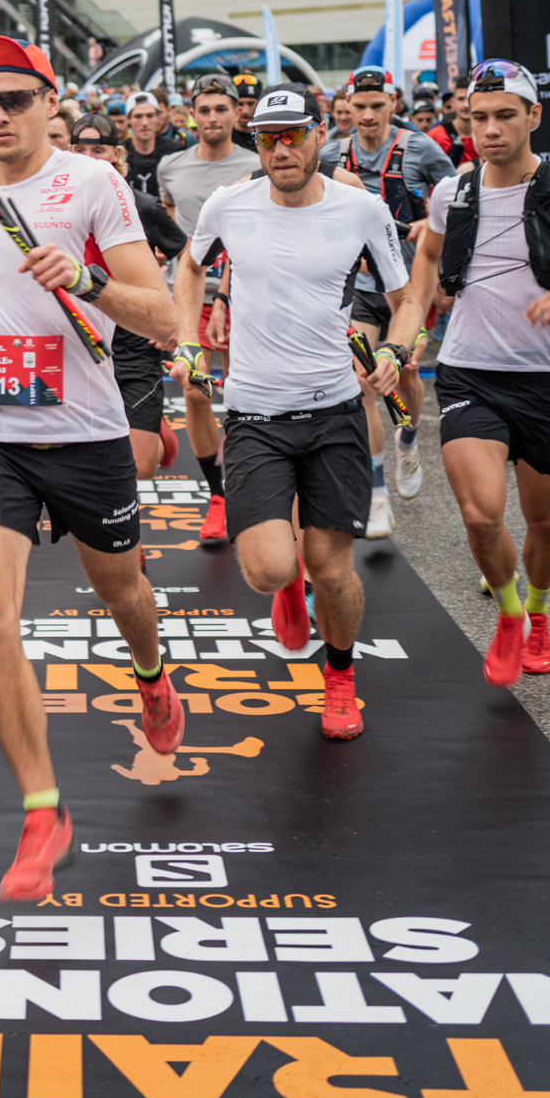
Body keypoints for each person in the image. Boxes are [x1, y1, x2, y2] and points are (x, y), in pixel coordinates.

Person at [0, 34, 183, 900]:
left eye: (15, 101)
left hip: (88, 433)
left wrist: (91, 282)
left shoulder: (94, 185)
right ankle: (42, 810)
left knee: (123, 592)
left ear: (49, 102)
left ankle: (151, 676)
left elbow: (167, 319)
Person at [391, 61, 550, 689]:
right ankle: (509, 615)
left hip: (540, 379)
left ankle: (538, 612)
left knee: (543, 522)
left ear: (533, 117)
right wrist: (414, 327)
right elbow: (426, 258)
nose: (490, 129)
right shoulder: (451, 191)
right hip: (467, 374)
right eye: (478, 118)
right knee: (481, 515)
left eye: (505, 115)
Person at [177, 85, 408, 739]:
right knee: (270, 567)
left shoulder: (361, 210)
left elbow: (406, 294)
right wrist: (189, 339)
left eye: (293, 135)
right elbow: (189, 270)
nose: (281, 149)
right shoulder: (229, 204)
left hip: (334, 409)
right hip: (253, 412)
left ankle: (338, 679)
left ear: (318, 136)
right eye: (268, 138)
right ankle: (287, 589)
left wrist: (395, 345)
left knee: (332, 571)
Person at [320, 69, 454, 537]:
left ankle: (410, 439)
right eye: (360, 106)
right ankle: (376, 495)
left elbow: (457, 198)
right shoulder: (331, 154)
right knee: (362, 384)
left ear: (393, 104)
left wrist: (429, 224)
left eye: (378, 105)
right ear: (348, 108)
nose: (369, 114)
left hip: (408, 289)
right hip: (357, 289)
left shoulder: (420, 148)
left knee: (408, 374)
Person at [153, 77, 259, 542]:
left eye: (221, 108)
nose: (213, 117)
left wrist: (226, 298)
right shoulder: (171, 167)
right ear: (190, 114)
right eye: (204, 109)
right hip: (190, 293)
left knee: (244, 396)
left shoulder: (258, 164)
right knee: (195, 391)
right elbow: (176, 237)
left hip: (251, 292)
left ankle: (249, 487)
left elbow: (250, 238)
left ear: (238, 113)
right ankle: (218, 495)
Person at [70, 110, 187, 475]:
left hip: (133, 341)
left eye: (99, 150)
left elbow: (188, 256)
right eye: (80, 150)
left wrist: (177, 323)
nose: (88, 159)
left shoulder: (142, 205)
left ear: (117, 155)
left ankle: (155, 435)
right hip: (80, 339)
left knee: (141, 467)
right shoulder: (55, 207)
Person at [121, 94, 177, 197]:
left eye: (150, 116)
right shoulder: (119, 153)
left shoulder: (174, 149)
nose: (145, 123)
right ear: (128, 119)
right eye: (138, 116)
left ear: (157, 118)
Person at [228, 69, 264, 152]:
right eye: (240, 104)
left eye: (251, 104)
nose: (245, 111)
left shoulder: (268, 136)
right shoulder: (225, 137)